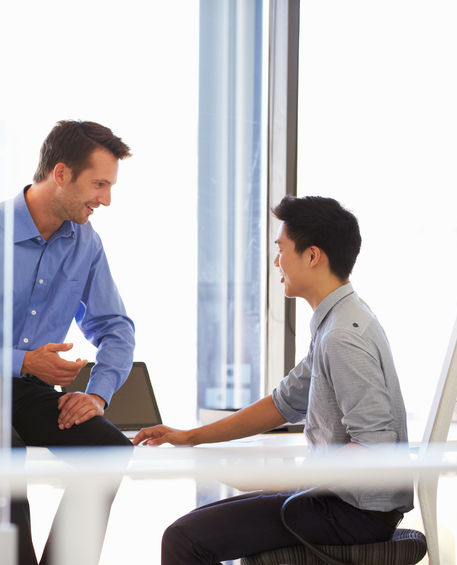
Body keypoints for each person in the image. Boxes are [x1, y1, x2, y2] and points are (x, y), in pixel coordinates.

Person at [133, 195, 414, 564]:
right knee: (189, 530)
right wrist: (190, 437)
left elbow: (375, 447)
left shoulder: (343, 337)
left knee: (184, 540)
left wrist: (287, 479)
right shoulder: (338, 321)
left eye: (281, 249)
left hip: (352, 513)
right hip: (337, 501)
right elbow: (282, 404)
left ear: (312, 256)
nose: (276, 260)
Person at [0, 120, 135, 565]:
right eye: (99, 184)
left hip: (23, 390)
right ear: (61, 173)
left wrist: (97, 395)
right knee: (3, 448)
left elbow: (116, 327)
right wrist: (26, 362)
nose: (106, 199)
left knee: (110, 449)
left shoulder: (85, 243)